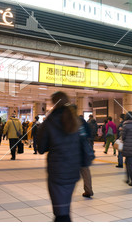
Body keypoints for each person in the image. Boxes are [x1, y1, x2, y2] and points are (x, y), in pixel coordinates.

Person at [37, 91, 81, 222]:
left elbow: (41, 148)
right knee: (64, 207)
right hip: (73, 170)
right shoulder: (75, 120)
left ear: (53, 103)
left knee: (61, 213)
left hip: (57, 171)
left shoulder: (50, 121)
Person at [78, 114, 94, 198]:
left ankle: (65, 192)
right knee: (85, 171)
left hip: (74, 152)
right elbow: (89, 135)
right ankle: (88, 190)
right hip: (84, 151)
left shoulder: (71, 122)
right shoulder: (84, 122)